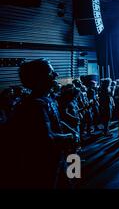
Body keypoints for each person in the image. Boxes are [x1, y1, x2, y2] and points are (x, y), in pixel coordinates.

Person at [9, 59, 78, 188]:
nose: (56, 75)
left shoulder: (47, 99)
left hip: (58, 159)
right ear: (39, 78)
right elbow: (47, 137)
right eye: (51, 72)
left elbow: (56, 121)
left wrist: (70, 130)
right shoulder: (35, 105)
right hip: (45, 164)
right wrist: (69, 137)